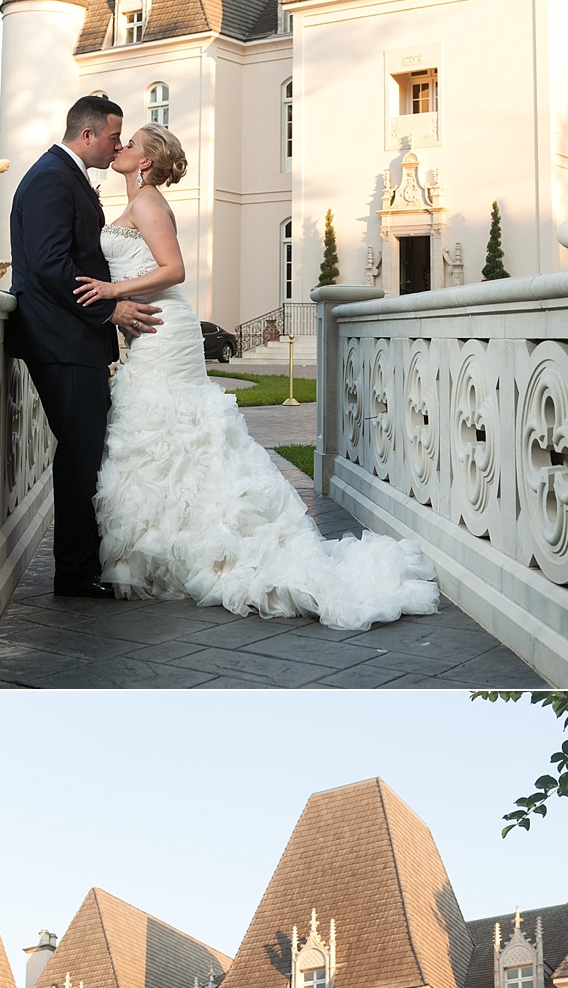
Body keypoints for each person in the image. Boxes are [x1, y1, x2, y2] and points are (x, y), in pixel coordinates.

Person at [74, 125, 439, 628]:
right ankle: (182, 537)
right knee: (165, 432)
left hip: (165, 329)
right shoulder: (138, 202)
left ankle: (214, 543)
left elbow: (174, 269)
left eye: (131, 143)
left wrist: (112, 292)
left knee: (172, 428)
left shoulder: (149, 203)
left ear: (146, 163)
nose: (121, 147)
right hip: (151, 330)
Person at [7, 97, 163, 599]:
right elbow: (51, 266)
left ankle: (81, 564)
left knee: (85, 451)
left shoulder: (64, 174)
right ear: (90, 135)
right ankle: (74, 573)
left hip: (72, 341)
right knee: (79, 454)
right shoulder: (53, 178)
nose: (119, 145)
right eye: (115, 136)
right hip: (62, 340)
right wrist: (108, 310)